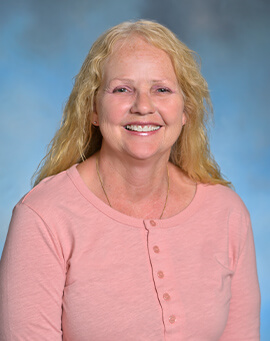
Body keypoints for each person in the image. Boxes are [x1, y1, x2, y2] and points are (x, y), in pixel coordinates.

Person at [0, 20, 260, 340]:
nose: (143, 106)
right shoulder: (42, 217)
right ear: (93, 109)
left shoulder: (227, 213)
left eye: (161, 89)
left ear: (185, 112)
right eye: (122, 89)